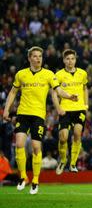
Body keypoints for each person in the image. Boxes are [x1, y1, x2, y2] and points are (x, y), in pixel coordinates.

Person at [2, 46, 78, 194]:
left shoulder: (48, 74)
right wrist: (6, 109)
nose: (38, 59)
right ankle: (23, 177)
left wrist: (69, 96)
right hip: (23, 113)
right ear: (30, 58)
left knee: (36, 148)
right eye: (35, 56)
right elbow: (12, 92)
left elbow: (58, 90)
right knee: (19, 144)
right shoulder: (21, 74)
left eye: (40, 56)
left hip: (38, 115)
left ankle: (35, 180)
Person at [52, 49, 88, 175]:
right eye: (67, 59)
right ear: (63, 60)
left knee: (77, 134)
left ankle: (73, 163)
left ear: (75, 60)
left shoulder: (82, 73)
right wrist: (58, 108)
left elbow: (85, 88)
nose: (70, 61)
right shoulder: (58, 75)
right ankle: (63, 160)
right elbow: (54, 93)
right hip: (65, 109)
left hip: (79, 109)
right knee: (63, 138)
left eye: (72, 58)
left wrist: (86, 104)